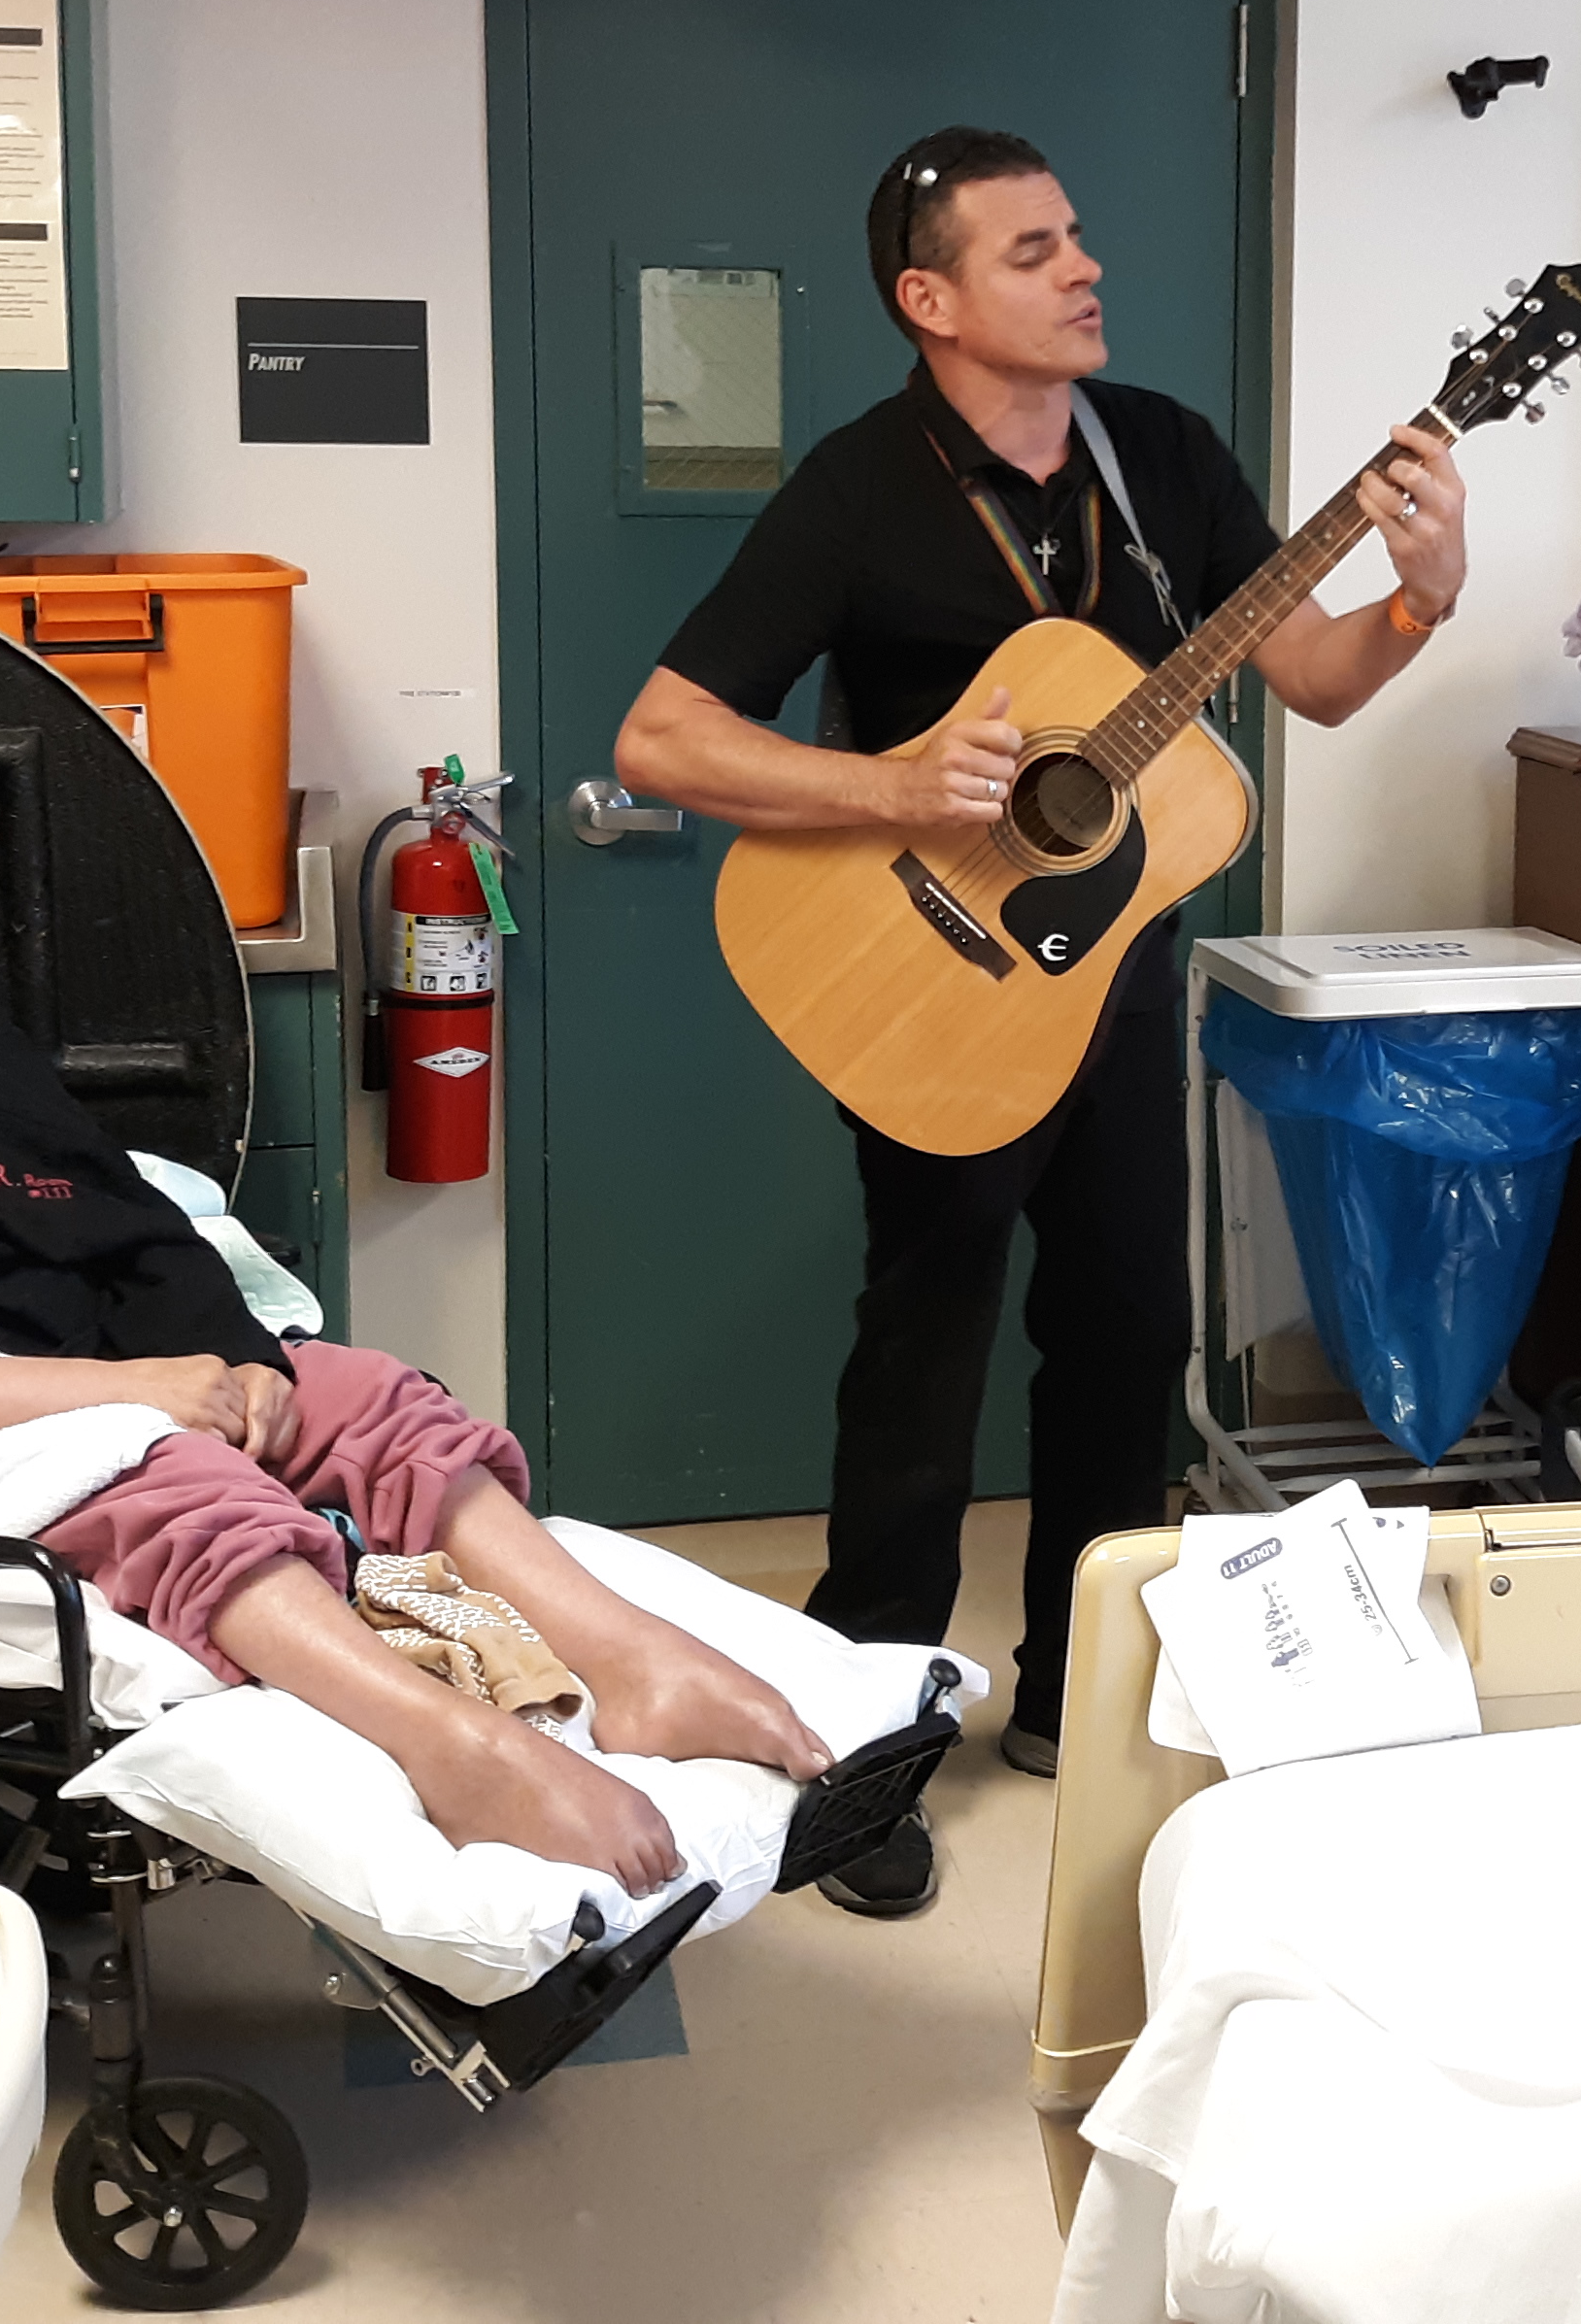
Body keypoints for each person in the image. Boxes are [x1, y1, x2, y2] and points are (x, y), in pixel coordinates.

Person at [613, 125, 1469, 1913]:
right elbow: (663, 737)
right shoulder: (859, 489)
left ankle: (1083, 1708)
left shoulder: (1159, 457)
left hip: (1113, 982)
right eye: (1029, 250)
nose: (1081, 267)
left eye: (1075, 236)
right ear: (928, 301)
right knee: (924, 1345)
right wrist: (896, 783)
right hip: (924, 975)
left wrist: (1419, 595)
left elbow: (1307, 679)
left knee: (1125, 1331)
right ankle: (863, 1741)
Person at [0, 744, 831, 1896]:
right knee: (171, 1478)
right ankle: (458, 1750)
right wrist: (138, 1397)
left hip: (101, 1369)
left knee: (367, 1396)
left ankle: (632, 1656)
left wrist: (236, 1361)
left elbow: (119, 1214)